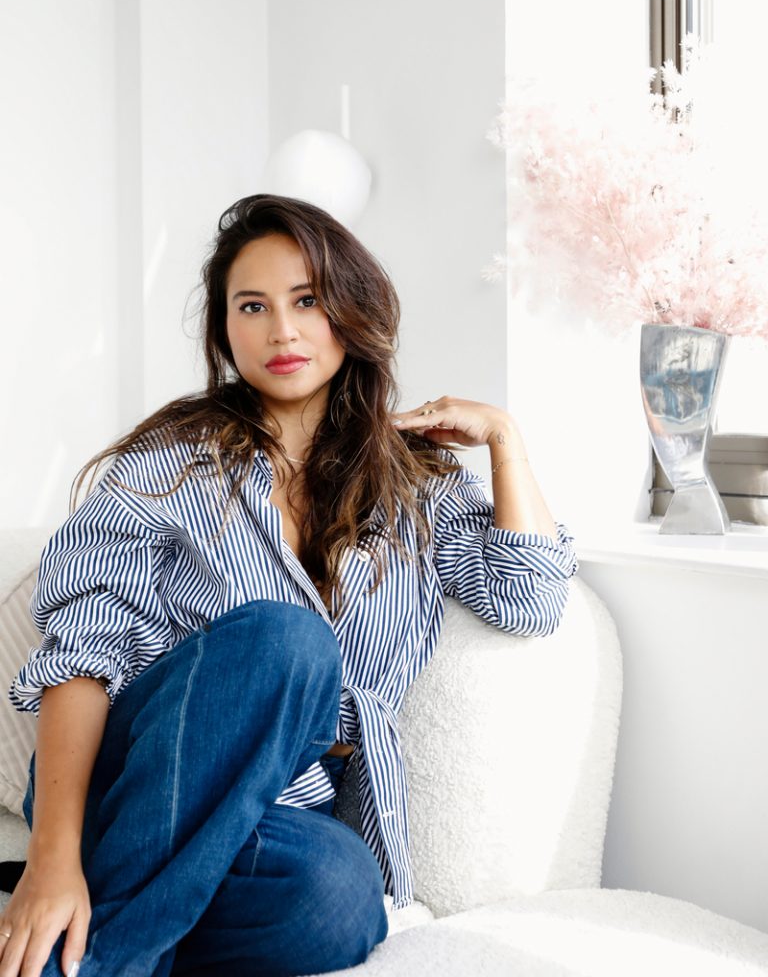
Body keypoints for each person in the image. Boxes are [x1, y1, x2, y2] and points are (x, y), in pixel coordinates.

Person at [1, 194, 577, 977]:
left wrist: (505, 438)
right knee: (287, 640)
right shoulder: (168, 468)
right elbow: (83, 657)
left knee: (342, 896)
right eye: (253, 306)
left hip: (268, 817)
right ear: (224, 330)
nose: (282, 330)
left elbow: (530, 597)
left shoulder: (416, 488)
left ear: (349, 309)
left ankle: (111, 930)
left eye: (307, 300)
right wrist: (52, 859)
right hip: (127, 783)